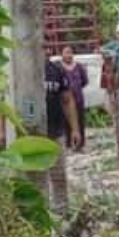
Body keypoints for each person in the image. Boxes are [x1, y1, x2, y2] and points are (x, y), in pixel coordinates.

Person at [45, 58, 83, 212]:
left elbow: (67, 100)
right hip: (29, 134)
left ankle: (62, 211)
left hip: (55, 131)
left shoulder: (56, 70)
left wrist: (75, 129)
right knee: (34, 176)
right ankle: (39, 213)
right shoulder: (19, 68)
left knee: (59, 174)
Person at [60, 46, 89, 148]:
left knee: (80, 120)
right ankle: (68, 143)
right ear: (62, 54)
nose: (68, 55)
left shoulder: (79, 67)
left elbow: (85, 81)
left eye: (70, 53)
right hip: (65, 100)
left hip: (78, 99)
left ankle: (80, 144)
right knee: (66, 121)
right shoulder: (59, 67)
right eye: (66, 53)